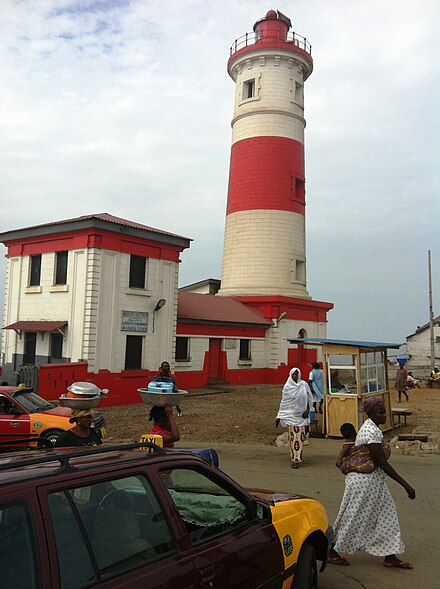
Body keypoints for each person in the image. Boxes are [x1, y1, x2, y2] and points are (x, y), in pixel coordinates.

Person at [329, 397, 415, 569]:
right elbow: (382, 462)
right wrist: (406, 485)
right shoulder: (371, 432)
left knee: (387, 516)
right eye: (380, 412)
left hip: (375, 482)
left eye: (384, 411)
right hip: (364, 483)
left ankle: (390, 556)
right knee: (353, 517)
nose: (384, 415)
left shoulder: (371, 428)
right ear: (370, 414)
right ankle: (332, 550)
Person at [275, 367, 313, 469]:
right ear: (291, 375)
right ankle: (294, 459)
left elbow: (310, 398)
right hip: (291, 417)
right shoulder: (287, 387)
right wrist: (279, 416)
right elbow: (284, 403)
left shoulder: (304, 385)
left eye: (297, 374)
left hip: (302, 417)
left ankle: (297, 458)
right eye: (294, 374)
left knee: (299, 439)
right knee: (293, 439)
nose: (295, 376)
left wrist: (307, 410)